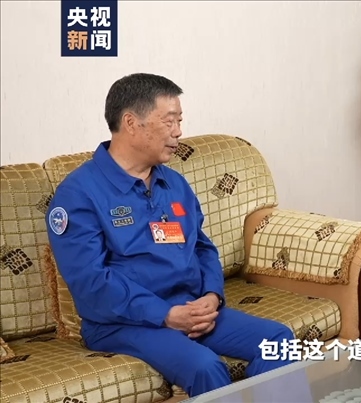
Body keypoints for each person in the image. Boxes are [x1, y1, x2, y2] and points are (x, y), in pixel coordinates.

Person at [46, 73, 295, 397]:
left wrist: (212, 296)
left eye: (180, 121)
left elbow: (202, 248)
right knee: (205, 366)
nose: (178, 132)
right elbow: (91, 282)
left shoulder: (173, 183)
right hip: (121, 323)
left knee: (278, 340)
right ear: (131, 123)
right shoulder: (79, 194)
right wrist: (164, 314)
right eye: (169, 121)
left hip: (189, 307)